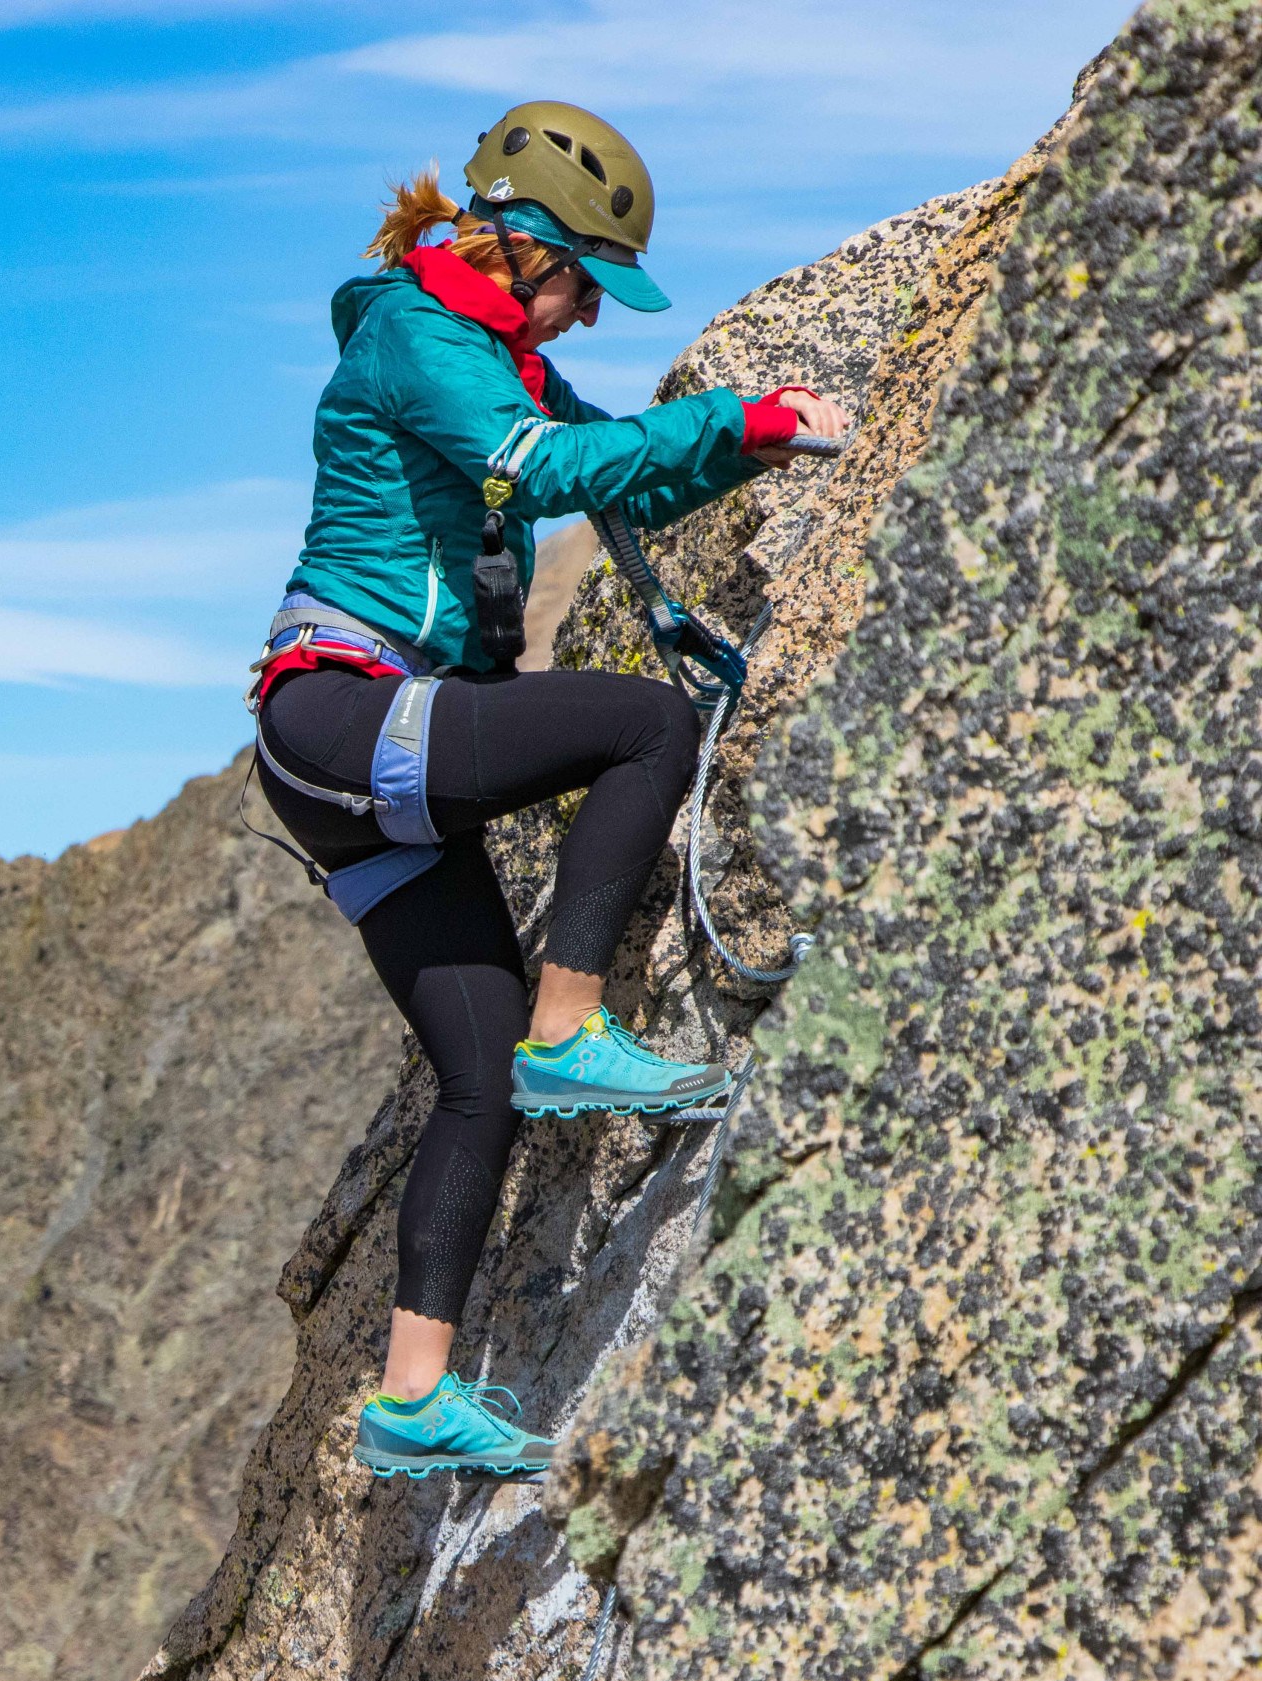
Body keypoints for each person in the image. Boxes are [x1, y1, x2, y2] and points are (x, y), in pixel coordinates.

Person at [249, 102, 851, 1480]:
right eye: (586, 283)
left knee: (476, 1081)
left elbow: (608, 461)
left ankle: (410, 1402)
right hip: (346, 714)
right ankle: (572, 1029)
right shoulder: (422, 340)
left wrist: (745, 444)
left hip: (342, 759)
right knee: (647, 729)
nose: (587, 316)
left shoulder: (485, 348)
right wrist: (747, 413)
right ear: (526, 244)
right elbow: (552, 469)